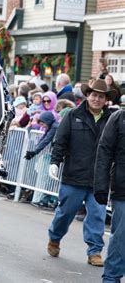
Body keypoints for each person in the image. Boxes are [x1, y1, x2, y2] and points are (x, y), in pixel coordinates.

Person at [47, 78, 117, 266]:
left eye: (101, 97)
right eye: (94, 95)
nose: (96, 99)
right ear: (87, 95)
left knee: (97, 215)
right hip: (74, 176)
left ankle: (94, 251)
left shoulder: (112, 118)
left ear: (105, 100)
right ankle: (55, 238)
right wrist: (55, 162)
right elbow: (60, 141)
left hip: (99, 179)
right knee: (65, 213)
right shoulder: (71, 115)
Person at [94, 109, 125, 282]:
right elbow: (104, 151)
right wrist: (100, 186)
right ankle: (111, 278)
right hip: (123, 189)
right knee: (121, 237)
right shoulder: (119, 118)